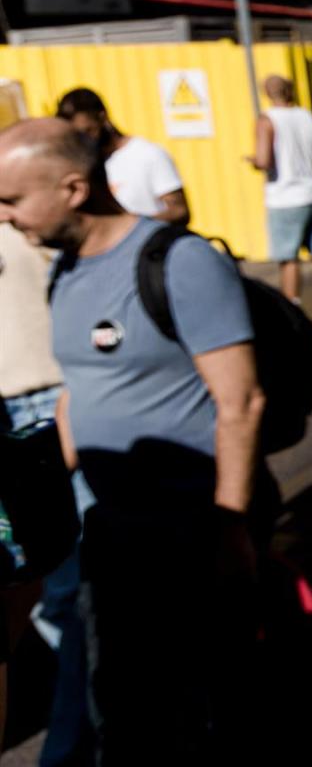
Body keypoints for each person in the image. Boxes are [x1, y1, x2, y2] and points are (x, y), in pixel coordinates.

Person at [0, 118, 272, 764]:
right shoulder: (64, 270)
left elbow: (241, 401)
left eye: (11, 199)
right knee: (126, 708)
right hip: (112, 531)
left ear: (72, 187)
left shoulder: (179, 260)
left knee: (218, 709)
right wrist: (24, 484)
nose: (4, 217)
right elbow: (81, 390)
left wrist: (231, 529)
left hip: (194, 533)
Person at [0, 219, 96, 765]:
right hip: (13, 414)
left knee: (63, 588)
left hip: (44, 406)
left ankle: (75, 739)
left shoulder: (28, 224)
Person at [249, 76, 312, 327]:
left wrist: (251, 160)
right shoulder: (309, 117)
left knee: (288, 258)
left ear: (267, 93)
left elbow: (264, 160)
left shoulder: (267, 120)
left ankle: (291, 311)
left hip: (285, 198)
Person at [56, 88, 189, 226]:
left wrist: (131, 229)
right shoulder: (86, 165)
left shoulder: (148, 154)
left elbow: (179, 211)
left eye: (88, 131)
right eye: (77, 136)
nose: (84, 140)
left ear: (102, 118)